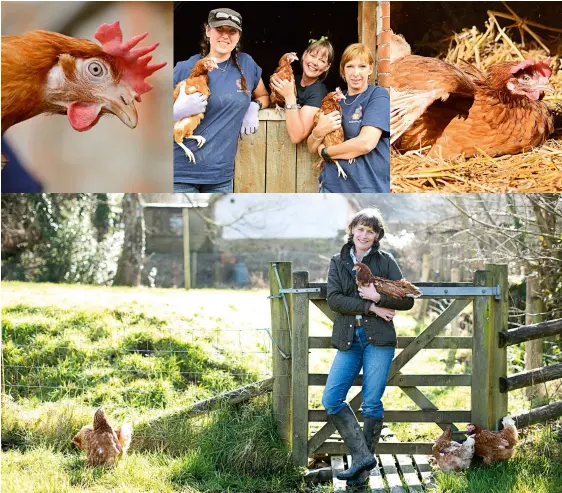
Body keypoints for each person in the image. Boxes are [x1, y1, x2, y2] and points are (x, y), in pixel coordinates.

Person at [322, 208, 414, 485]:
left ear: (377, 236)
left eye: (370, 231)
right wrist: (372, 305)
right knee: (331, 399)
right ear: (352, 230)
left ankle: (360, 476)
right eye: (360, 229)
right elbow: (335, 300)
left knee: (372, 403)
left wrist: (380, 296)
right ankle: (363, 457)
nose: (364, 235)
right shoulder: (338, 262)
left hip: (379, 340)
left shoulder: (386, 261)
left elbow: (407, 300)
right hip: (349, 339)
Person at [173, 8, 270, 193]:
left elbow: (264, 96)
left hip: (220, 176)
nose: (225, 36)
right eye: (220, 29)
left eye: (232, 31)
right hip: (181, 174)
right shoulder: (185, 68)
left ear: (238, 36)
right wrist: (175, 111)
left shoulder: (247, 65)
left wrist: (253, 106)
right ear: (208, 31)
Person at [307, 44, 390, 193]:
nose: (355, 73)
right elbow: (312, 146)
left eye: (362, 66)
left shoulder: (377, 95)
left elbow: (365, 143)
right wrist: (319, 132)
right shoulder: (335, 100)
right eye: (350, 66)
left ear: (371, 69)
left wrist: (326, 152)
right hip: (331, 188)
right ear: (343, 70)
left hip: (365, 189)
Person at [270, 37, 333, 144]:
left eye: (322, 61)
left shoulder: (318, 91)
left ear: (327, 67)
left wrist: (289, 96)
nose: (315, 62)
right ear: (304, 55)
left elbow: (296, 137)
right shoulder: (293, 79)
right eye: (312, 56)